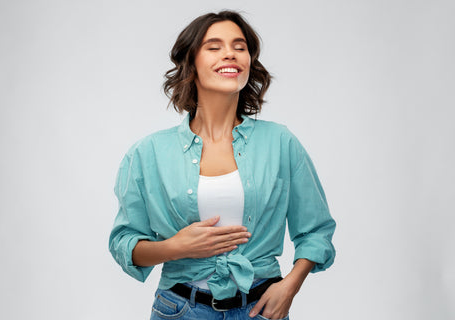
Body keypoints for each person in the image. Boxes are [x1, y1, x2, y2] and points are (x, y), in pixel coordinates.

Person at [109, 10, 336, 320]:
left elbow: (315, 230)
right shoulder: (148, 153)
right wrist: (176, 247)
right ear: (191, 64)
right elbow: (124, 243)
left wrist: (289, 287)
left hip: (261, 310)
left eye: (239, 46)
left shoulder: (280, 142)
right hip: (181, 310)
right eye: (214, 47)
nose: (230, 53)